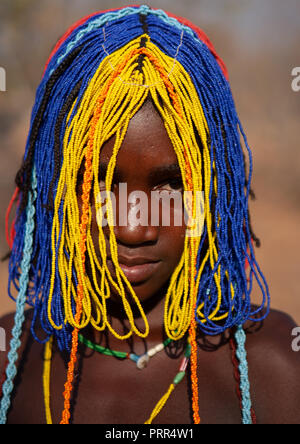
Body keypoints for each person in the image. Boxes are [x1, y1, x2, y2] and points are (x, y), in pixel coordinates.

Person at [0, 4, 299, 425]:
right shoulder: (13, 356)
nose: (133, 227)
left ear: (214, 191)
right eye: (101, 186)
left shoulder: (271, 364)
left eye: (170, 186)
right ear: (56, 188)